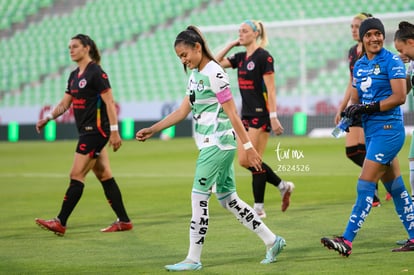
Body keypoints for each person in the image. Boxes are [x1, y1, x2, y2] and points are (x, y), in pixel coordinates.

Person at [136, 25, 286, 271]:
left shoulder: (215, 73)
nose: (183, 60)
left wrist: (248, 146)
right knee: (229, 199)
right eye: (179, 57)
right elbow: (182, 111)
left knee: (198, 197)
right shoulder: (195, 74)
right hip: (212, 143)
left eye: (184, 55)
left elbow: (233, 114)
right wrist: (154, 129)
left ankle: (193, 259)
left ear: (197, 47)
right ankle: (272, 240)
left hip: (217, 143)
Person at [320, 17, 414, 256]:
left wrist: (367, 108)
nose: (375, 38)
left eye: (378, 34)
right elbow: (355, 98)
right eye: (369, 34)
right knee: (397, 187)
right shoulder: (359, 66)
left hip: (389, 132)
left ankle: (347, 240)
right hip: (372, 133)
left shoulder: (392, 60)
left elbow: (400, 96)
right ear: (362, 38)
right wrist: (351, 114)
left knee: (365, 184)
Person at [34, 34, 133, 236]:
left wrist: (115, 132)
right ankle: (124, 221)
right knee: (104, 175)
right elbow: (65, 104)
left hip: (95, 132)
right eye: (69, 47)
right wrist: (48, 117)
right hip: (86, 132)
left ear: (86, 48)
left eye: (75, 46)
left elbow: (109, 103)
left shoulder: (96, 73)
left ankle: (60, 222)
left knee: (76, 175)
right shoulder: (73, 76)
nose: (71, 50)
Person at [215, 19, 294, 218]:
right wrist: (231, 45)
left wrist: (274, 116)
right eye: (239, 31)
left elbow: (272, 88)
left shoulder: (264, 57)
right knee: (244, 160)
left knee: (254, 159)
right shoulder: (240, 57)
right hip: (246, 115)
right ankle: (282, 185)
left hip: (261, 114)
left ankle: (259, 208)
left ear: (255, 33)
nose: (240, 34)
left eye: (244, 31)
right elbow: (215, 64)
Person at [334, 12, 382, 207]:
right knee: (353, 151)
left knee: (365, 148)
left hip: (369, 105)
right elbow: (351, 81)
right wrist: (342, 106)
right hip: (355, 106)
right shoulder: (353, 51)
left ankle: (373, 192)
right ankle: (379, 177)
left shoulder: (373, 51)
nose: (354, 30)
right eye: (352, 27)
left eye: (357, 26)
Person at [393, 21, 414, 246]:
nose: (401, 53)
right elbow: (406, 90)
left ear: (411, 42)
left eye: (401, 49)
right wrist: (401, 65)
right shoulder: (411, 64)